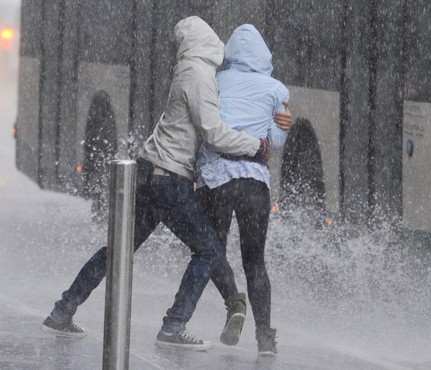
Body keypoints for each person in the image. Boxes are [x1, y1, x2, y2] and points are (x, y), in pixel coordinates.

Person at [40, 16, 291, 351]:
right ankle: (175, 324)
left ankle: (62, 311)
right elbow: (213, 133)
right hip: (169, 178)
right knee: (208, 249)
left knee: (118, 250)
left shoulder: (188, 69)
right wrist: (256, 145)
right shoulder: (200, 75)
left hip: (151, 171)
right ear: (208, 41)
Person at [195, 24, 288, 355]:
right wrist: (279, 123)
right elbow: (274, 142)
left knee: (212, 252)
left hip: (216, 179)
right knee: (256, 261)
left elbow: (205, 128)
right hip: (254, 183)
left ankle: (235, 304)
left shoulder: (215, 82)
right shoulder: (277, 89)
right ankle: (265, 337)